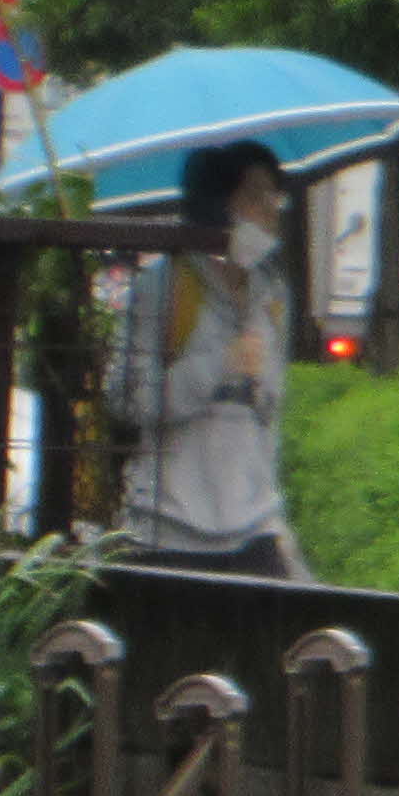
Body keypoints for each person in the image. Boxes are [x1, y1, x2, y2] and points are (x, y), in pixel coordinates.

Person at [119, 140, 305, 578]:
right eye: (255, 196)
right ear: (217, 203)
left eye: (273, 196)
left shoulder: (272, 295)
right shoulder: (164, 287)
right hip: (169, 529)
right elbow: (131, 402)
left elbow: (268, 419)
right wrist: (219, 365)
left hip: (255, 529)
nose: (271, 210)